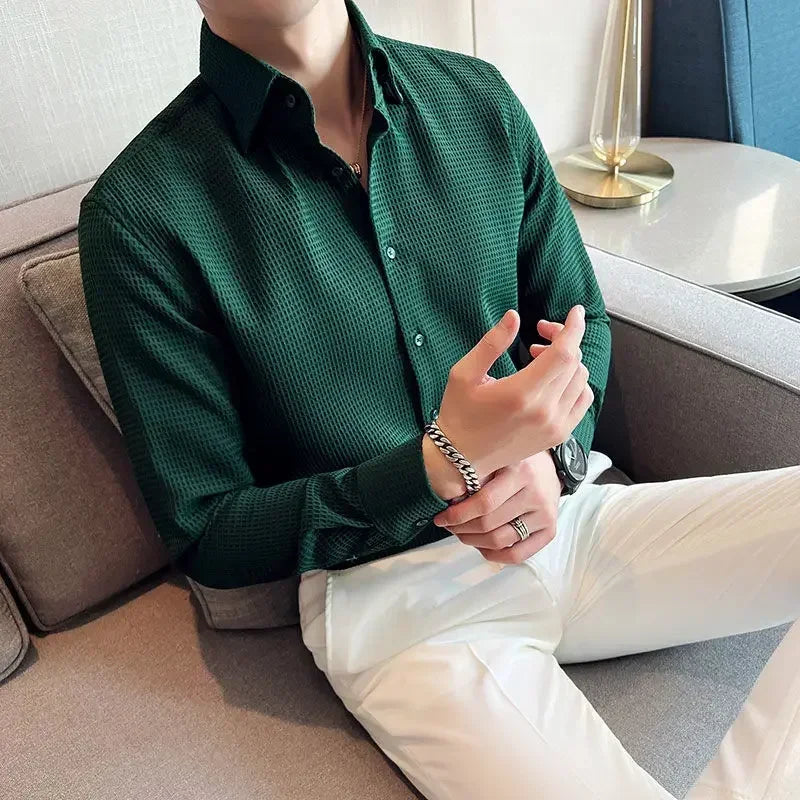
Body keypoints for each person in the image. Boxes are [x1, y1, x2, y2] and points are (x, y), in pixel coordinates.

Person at [77, 1, 800, 797]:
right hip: (395, 600)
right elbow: (207, 529)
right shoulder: (142, 214)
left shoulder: (477, 100)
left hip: (570, 518)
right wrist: (436, 465)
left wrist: (553, 459)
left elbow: (580, 326)